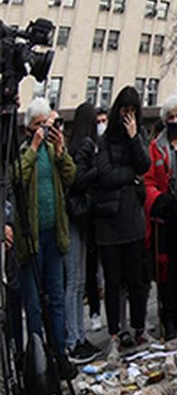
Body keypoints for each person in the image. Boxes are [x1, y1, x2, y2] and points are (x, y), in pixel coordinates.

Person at [11, 97, 73, 364]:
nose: (44, 131)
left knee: (56, 298)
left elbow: (71, 176)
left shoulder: (52, 149)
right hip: (31, 240)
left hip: (53, 235)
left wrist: (60, 151)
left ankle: (60, 353)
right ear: (28, 129)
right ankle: (38, 359)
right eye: (38, 126)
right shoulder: (24, 151)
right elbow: (17, 179)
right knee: (34, 304)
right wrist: (34, 147)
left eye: (46, 125)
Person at [90, 86, 151, 347]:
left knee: (137, 279)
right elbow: (105, 174)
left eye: (132, 111)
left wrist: (135, 137)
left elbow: (144, 165)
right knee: (112, 282)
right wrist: (130, 177)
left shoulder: (138, 135)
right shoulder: (104, 141)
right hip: (108, 219)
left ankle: (139, 327)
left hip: (131, 218)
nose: (127, 116)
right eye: (124, 111)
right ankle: (115, 332)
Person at [142, 93, 177, 338]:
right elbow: (148, 180)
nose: (175, 121)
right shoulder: (156, 147)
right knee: (166, 268)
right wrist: (158, 200)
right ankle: (168, 313)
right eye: (171, 117)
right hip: (166, 214)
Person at [63, 101, 100, 357]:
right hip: (75, 220)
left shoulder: (74, 145)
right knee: (75, 281)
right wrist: (98, 171)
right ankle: (73, 338)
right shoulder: (86, 147)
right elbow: (76, 180)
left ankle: (78, 335)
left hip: (77, 218)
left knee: (77, 282)